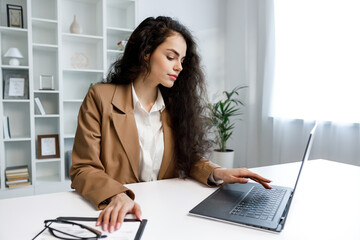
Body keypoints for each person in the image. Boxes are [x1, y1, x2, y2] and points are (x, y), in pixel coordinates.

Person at [70, 16, 271, 233]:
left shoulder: (175, 104)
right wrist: (117, 194)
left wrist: (218, 172)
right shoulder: (100, 97)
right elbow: (83, 168)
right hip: (121, 217)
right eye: (170, 57)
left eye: (182, 60)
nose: (179, 67)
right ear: (146, 53)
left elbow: (188, 158)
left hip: (167, 212)